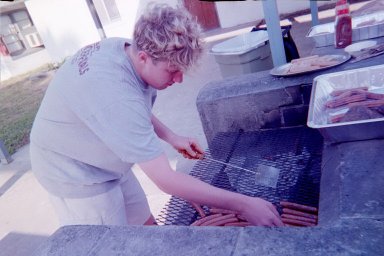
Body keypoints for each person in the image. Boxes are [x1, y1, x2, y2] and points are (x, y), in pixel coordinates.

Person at [30, 3, 283, 227]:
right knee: (112, 243)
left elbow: (131, 111)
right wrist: (243, 204)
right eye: (172, 70)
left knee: (144, 223)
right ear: (144, 57)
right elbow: (165, 179)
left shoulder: (124, 51)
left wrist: (171, 136)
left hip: (105, 152)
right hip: (74, 171)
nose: (179, 79)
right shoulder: (116, 97)